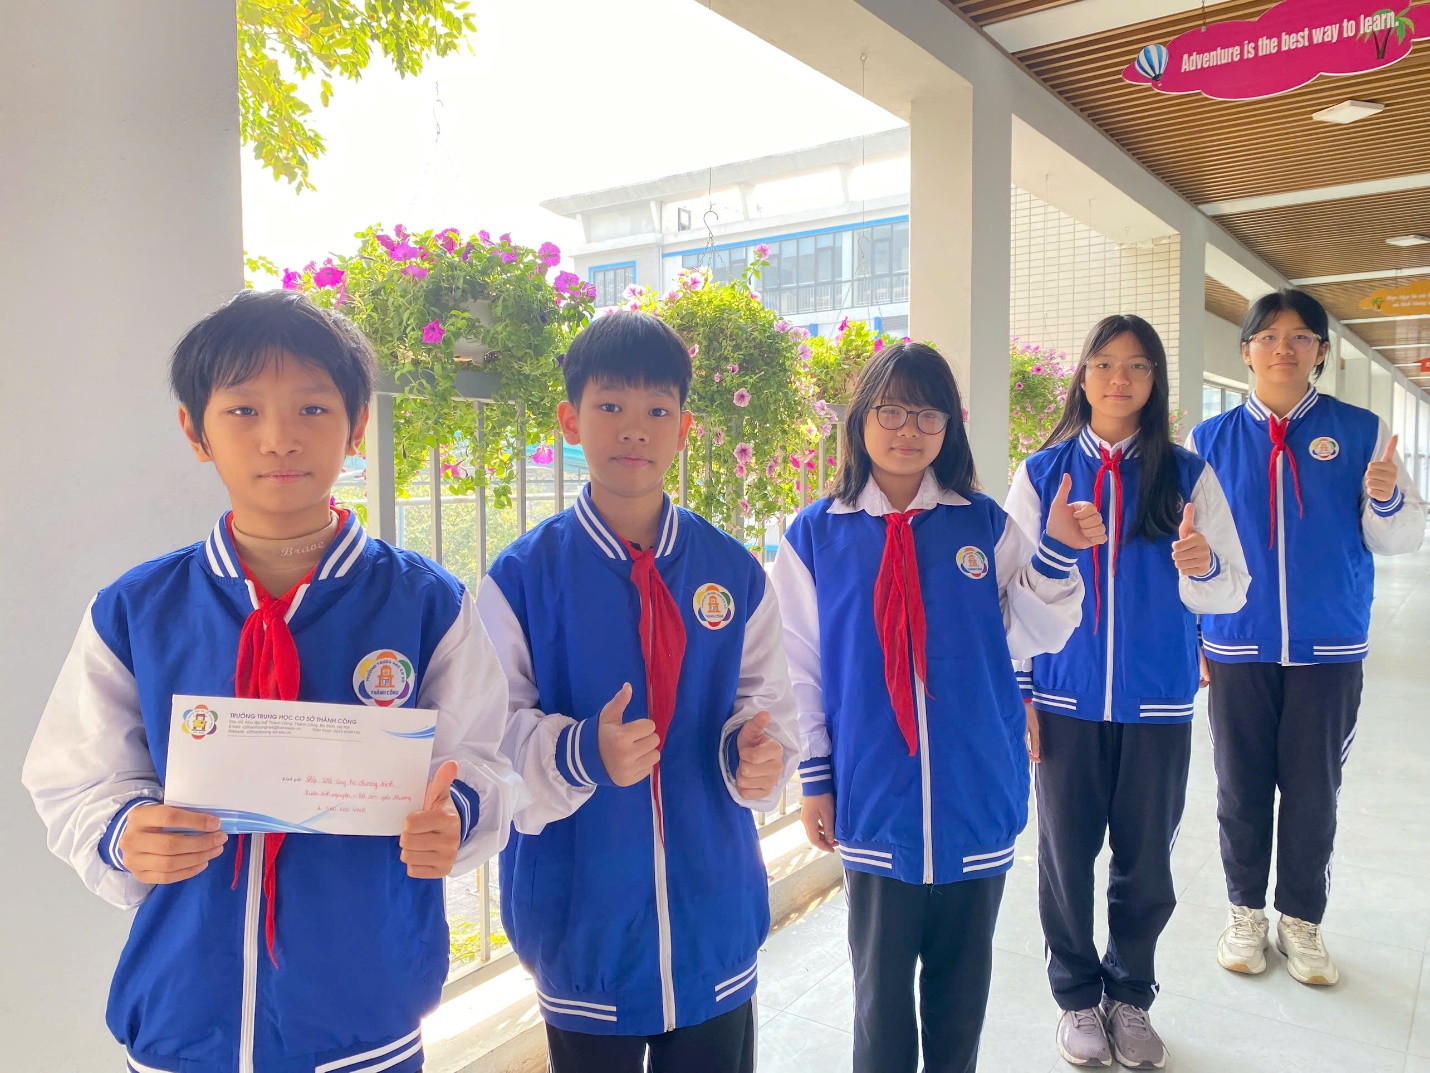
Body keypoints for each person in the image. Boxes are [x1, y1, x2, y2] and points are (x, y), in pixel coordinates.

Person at [22, 289, 521, 1073]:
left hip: (365, 1020)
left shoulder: (425, 605)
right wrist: (124, 831)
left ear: (357, 425)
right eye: (244, 410)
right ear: (195, 431)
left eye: (313, 408)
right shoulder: (137, 610)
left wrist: (456, 812)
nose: (280, 437)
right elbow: (74, 774)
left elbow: (486, 758)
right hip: (183, 1019)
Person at [476, 311, 799, 1073]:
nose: (634, 428)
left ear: (683, 427)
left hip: (713, 911)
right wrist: (581, 751)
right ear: (570, 420)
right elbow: (486, 738)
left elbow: (769, 700)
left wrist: (757, 751)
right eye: (611, 405)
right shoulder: (522, 578)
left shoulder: (732, 570)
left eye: (657, 409)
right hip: (582, 923)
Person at [770, 341, 1100, 1073]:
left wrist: (1058, 551)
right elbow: (798, 668)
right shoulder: (816, 534)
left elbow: (1037, 630)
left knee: (961, 997)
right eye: (891, 410)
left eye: (928, 413)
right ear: (861, 418)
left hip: (972, 793)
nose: (908, 430)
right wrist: (815, 775)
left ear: (950, 426)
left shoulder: (982, 524)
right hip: (874, 796)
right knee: (879, 1001)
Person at [1006, 315, 1249, 1069]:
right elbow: (1009, 597)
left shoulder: (1187, 475)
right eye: (1105, 363)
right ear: (1082, 375)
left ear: (1155, 381)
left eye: (1138, 365)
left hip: (1157, 703)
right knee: (1064, 857)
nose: (1120, 378)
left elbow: (1233, 591)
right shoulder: (1042, 473)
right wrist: (1022, 692)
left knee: (1146, 862)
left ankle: (1131, 996)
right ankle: (1077, 998)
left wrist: (1205, 565)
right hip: (1064, 701)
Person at [1189, 289, 1426, 987]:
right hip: (1236, 642)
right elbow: (1190, 548)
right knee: (1240, 787)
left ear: (1320, 350)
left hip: (1329, 645)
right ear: (1246, 350)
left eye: (1300, 337)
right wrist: (1193, 633)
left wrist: (1385, 496)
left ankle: (1301, 919)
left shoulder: (1362, 431)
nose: (1283, 349)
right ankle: (1245, 913)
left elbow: (1399, 536)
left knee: (1313, 789)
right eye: (1268, 336)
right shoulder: (1207, 441)